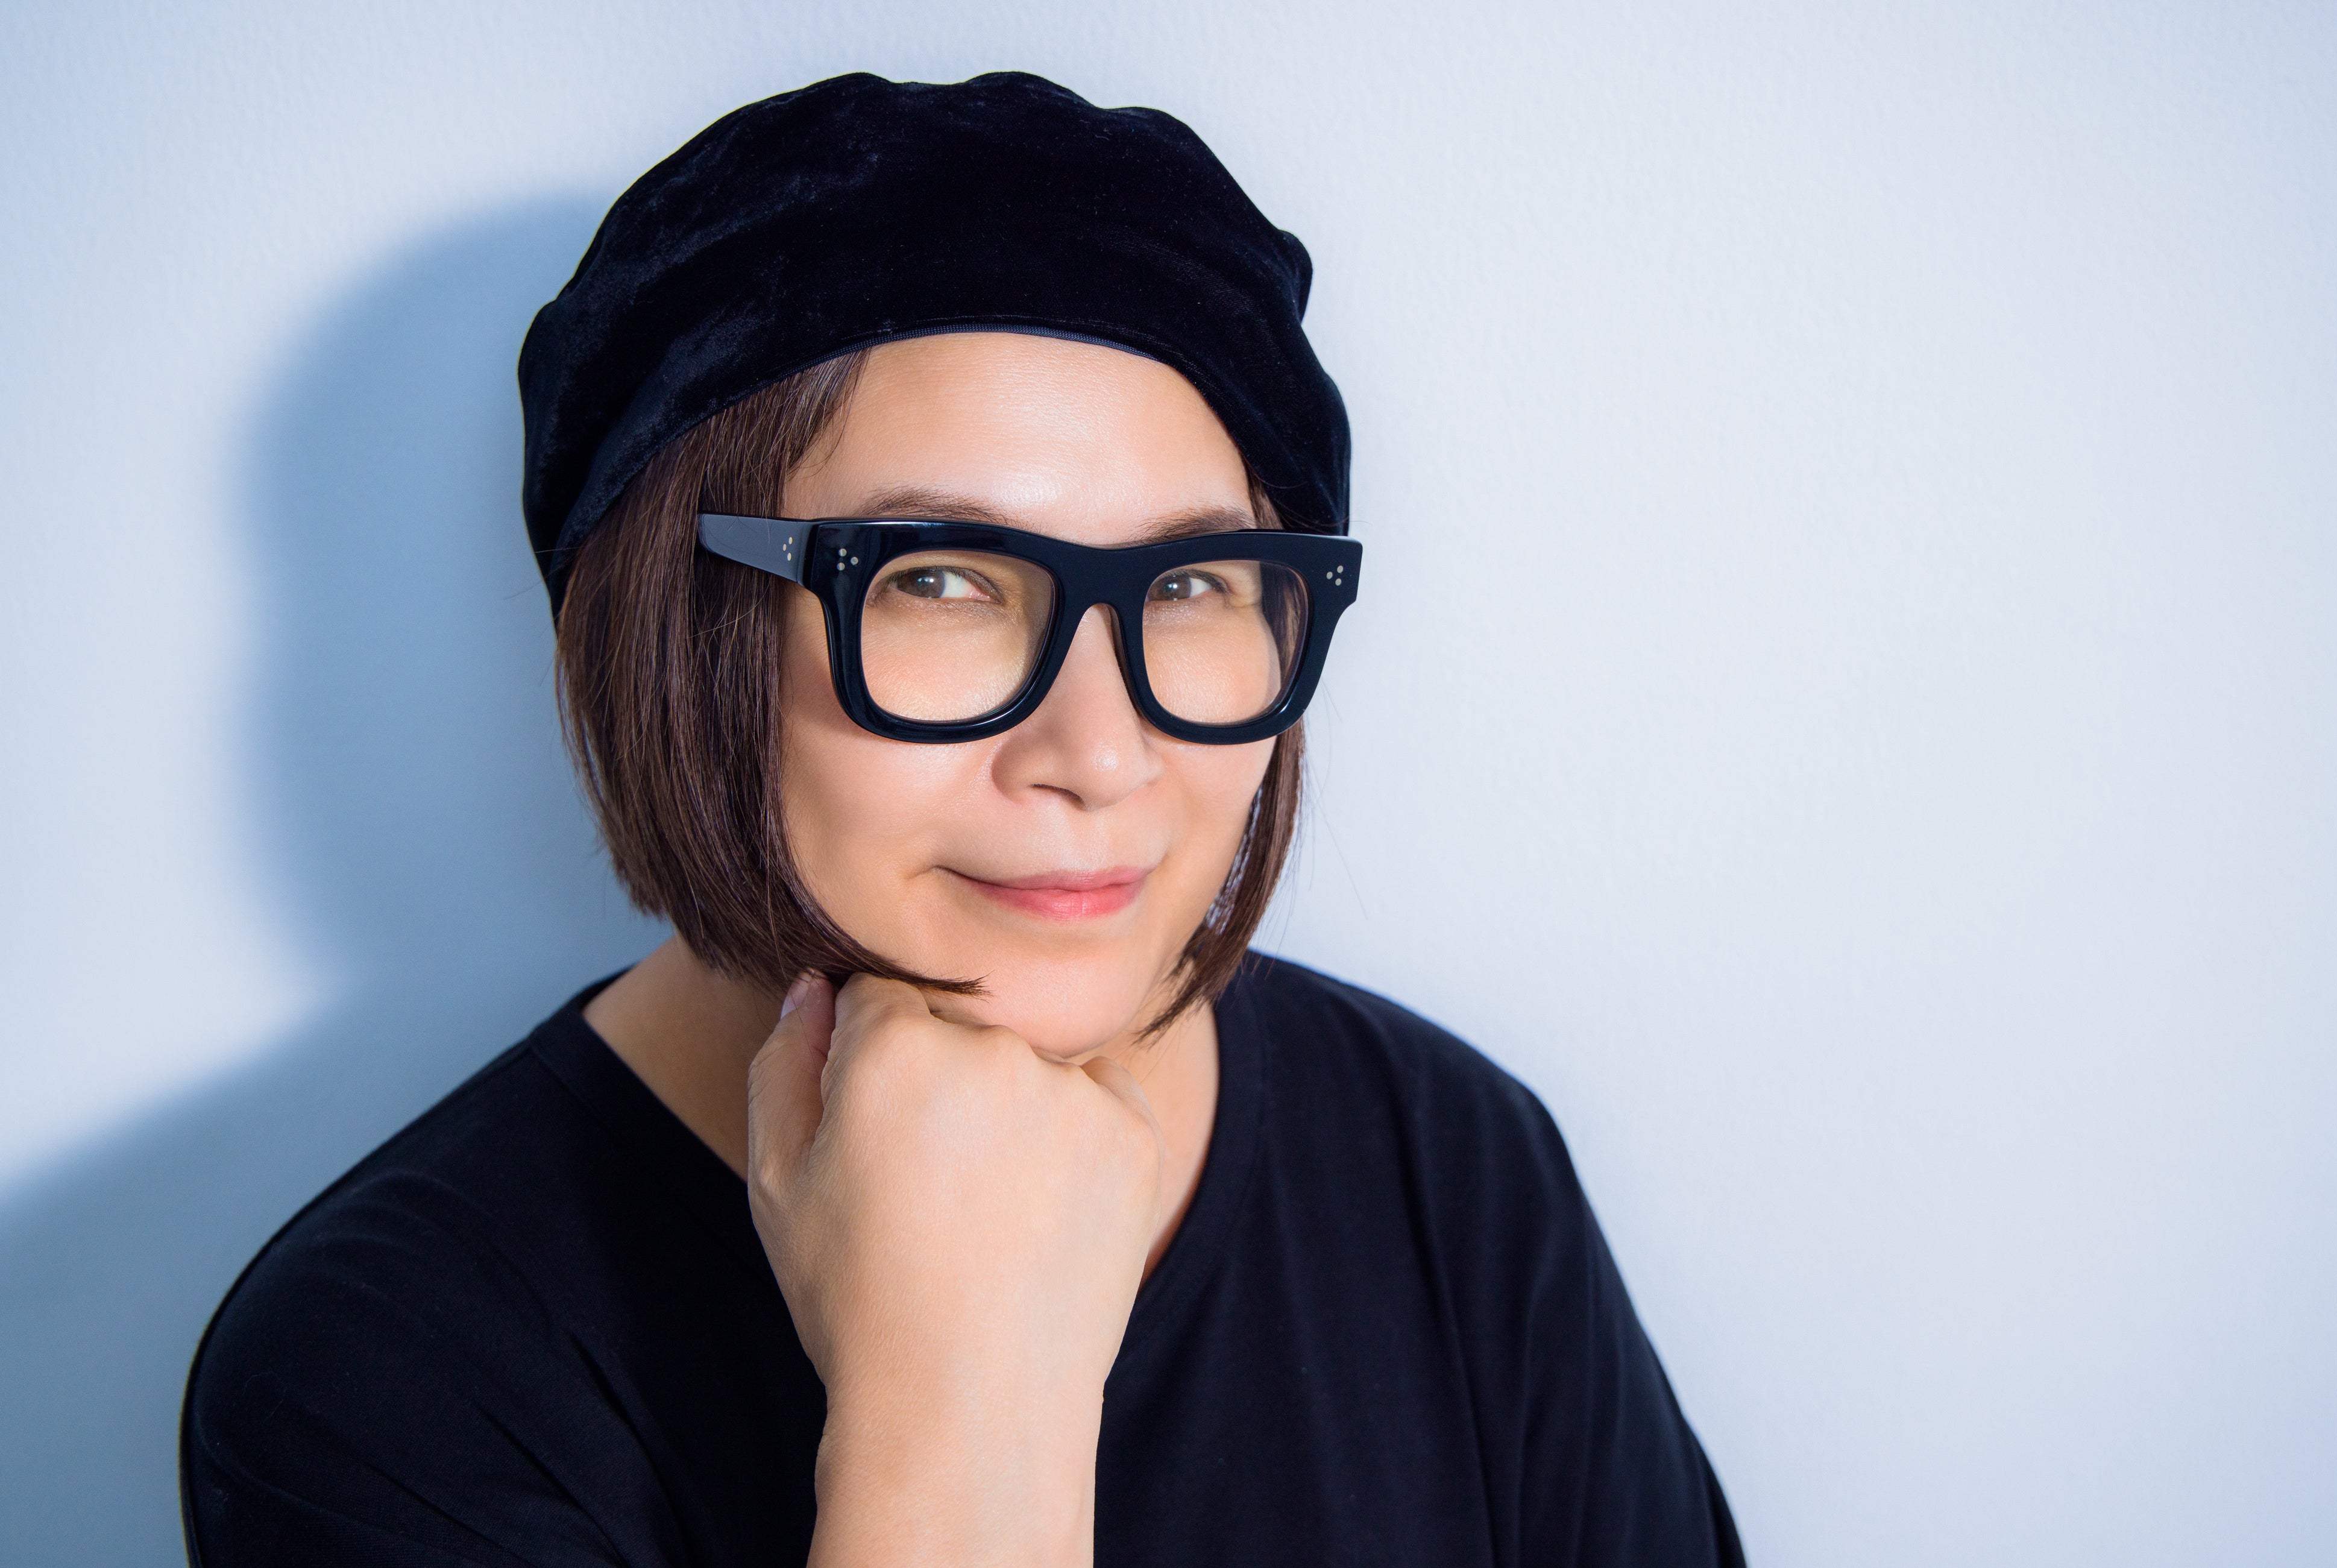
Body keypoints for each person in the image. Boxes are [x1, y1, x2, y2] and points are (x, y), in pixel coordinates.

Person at [181, 72, 1742, 1566]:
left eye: (1193, 583)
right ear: (673, 627)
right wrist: (963, 1400)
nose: (1102, 753)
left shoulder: (1445, 1158)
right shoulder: (381, 1371)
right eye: (940, 581)